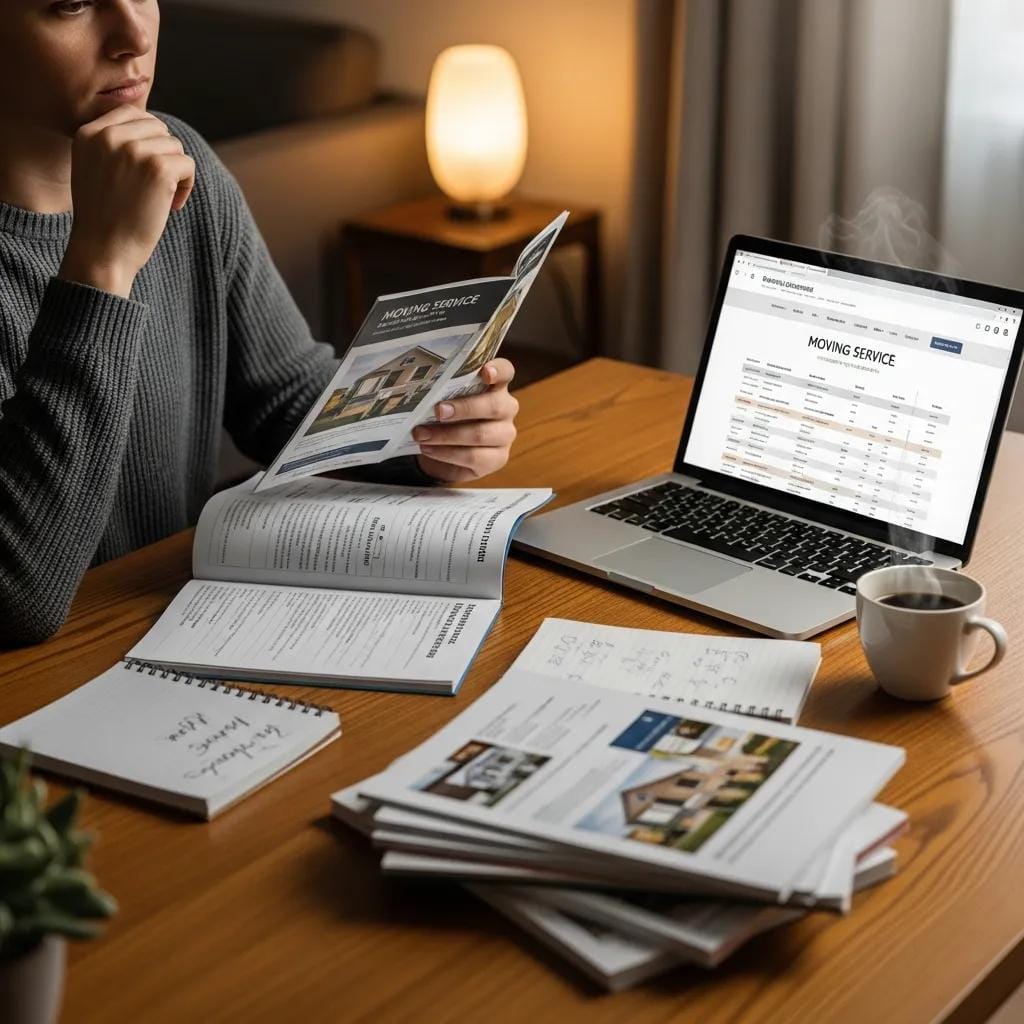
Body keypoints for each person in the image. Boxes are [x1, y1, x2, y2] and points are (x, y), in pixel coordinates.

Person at [0, 0, 520, 648]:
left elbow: (283, 395)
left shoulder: (177, 159)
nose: (134, 34)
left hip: (172, 630)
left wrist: (432, 432)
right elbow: (17, 596)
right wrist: (103, 266)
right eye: (71, 4)